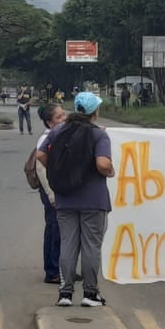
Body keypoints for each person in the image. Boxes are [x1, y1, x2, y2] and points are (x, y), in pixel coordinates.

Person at [38, 91, 114, 308]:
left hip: (65, 198)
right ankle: (90, 294)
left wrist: (58, 172)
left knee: (68, 244)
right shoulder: (98, 135)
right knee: (91, 246)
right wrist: (110, 170)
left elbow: (41, 156)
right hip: (93, 199)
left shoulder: (59, 131)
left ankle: (65, 293)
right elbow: (102, 164)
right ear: (94, 112)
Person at [35, 103, 67, 284]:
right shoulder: (45, 139)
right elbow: (41, 169)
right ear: (49, 122)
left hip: (58, 189)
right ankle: (52, 270)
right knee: (54, 229)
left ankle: (63, 269)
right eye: (58, 117)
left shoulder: (60, 136)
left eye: (63, 115)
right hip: (51, 191)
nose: (63, 119)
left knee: (62, 230)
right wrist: (51, 194)